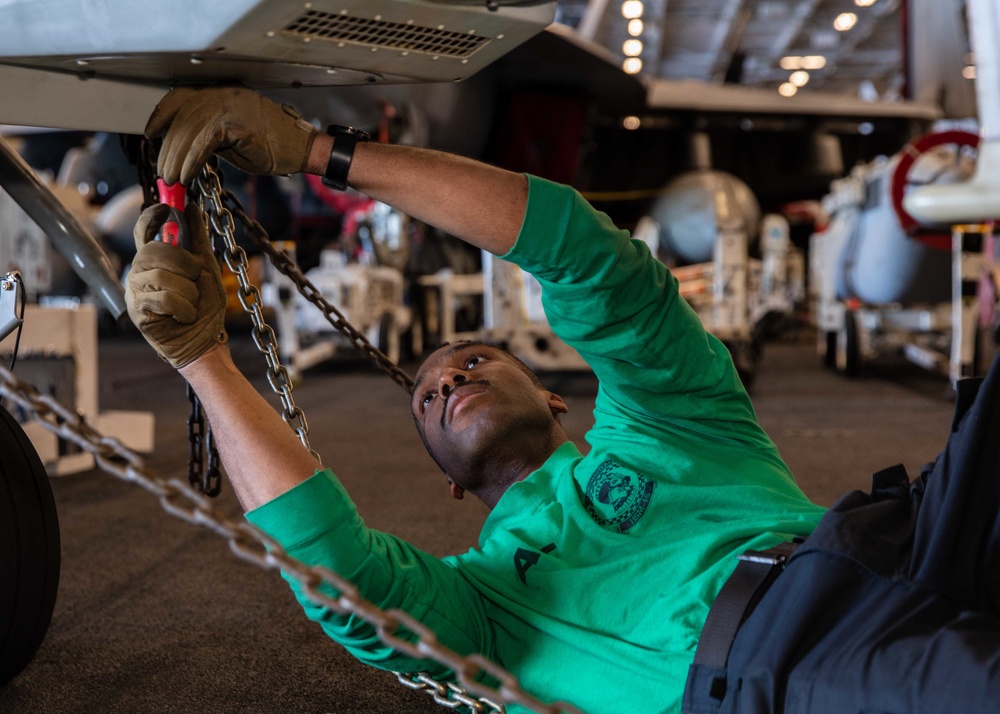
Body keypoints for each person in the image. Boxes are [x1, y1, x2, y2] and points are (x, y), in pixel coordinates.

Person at [126, 86, 1000, 714]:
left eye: (471, 359)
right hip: (789, 665)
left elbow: (589, 258)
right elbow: (338, 574)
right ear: (449, 487)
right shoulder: (483, 611)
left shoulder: (671, 420)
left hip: (896, 536)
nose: (450, 378)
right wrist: (201, 358)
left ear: (552, 397)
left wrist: (318, 152)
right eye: (429, 395)